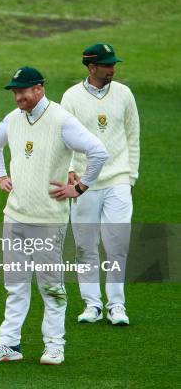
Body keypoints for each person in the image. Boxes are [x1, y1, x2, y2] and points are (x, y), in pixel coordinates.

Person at [0, 66, 108, 365]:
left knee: (51, 286)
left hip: (48, 220)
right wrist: (0, 176)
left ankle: (54, 346)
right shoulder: (13, 119)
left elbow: (98, 151)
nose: (17, 96)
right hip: (14, 216)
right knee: (15, 285)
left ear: (39, 89)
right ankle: (9, 344)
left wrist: (80, 187)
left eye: (22, 90)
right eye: (14, 91)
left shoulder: (61, 119)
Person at [61, 43, 140, 325]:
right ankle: (92, 304)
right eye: (107, 65)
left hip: (118, 178)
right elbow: (65, 137)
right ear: (92, 67)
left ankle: (117, 305)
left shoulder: (124, 94)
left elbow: (133, 136)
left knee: (117, 242)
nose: (113, 69)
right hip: (84, 182)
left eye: (113, 64)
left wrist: (130, 177)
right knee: (85, 245)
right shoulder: (71, 97)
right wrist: (70, 169)